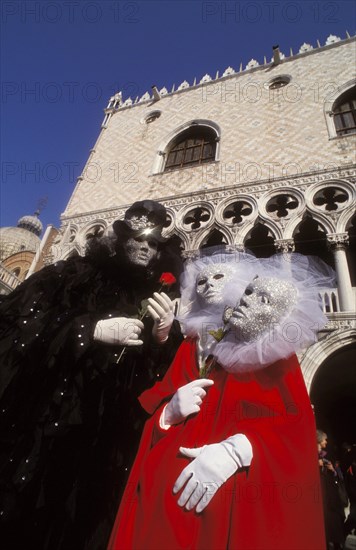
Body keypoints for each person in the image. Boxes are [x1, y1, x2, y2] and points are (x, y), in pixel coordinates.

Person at [108, 253, 333, 550]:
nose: (207, 288)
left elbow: (294, 427)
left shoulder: (270, 347)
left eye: (219, 279)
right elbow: (152, 405)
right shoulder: (190, 345)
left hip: (224, 506)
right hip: (163, 501)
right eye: (200, 282)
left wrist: (236, 451)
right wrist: (167, 414)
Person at [0, 200, 183, 550]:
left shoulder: (155, 298)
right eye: (139, 238)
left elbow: (156, 383)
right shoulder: (72, 275)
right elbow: (16, 327)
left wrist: (161, 340)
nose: (146, 248)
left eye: (154, 243)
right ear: (120, 239)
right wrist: (88, 330)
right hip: (44, 421)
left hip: (103, 437)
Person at [317, 431, 346, 549]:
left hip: (332, 497)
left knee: (335, 521)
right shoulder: (314, 456)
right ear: (318, 440)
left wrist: (332, 470)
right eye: (324, 439)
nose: (326, 442)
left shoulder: (325, 455)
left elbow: (335, 475)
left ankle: (337, 543)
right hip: (324, 497)